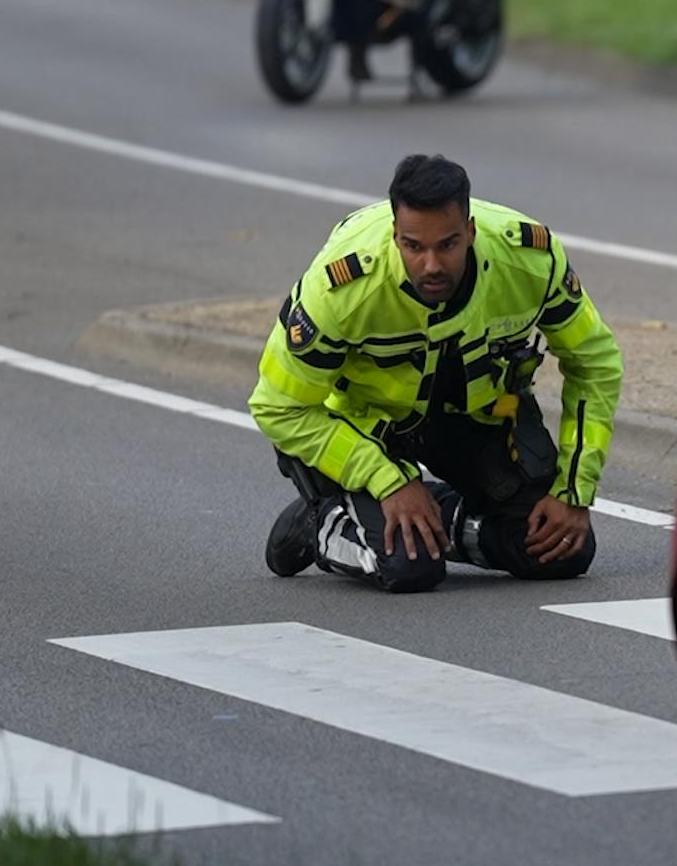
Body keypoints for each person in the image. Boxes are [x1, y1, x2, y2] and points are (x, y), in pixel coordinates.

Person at [250, 154, 624, 593]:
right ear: (394, 235)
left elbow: (594, 362)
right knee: (410, 568)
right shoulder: (341, 287)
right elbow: (278, 408)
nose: (431, 265)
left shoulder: (529, 262)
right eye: (413, 246)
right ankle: (320, 523)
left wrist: (573, 491)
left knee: (560, 549)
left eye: (447, 245)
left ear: (470, 231)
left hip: (471, 419)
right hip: (366, 429)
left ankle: (438, 521)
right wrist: (388, 481)